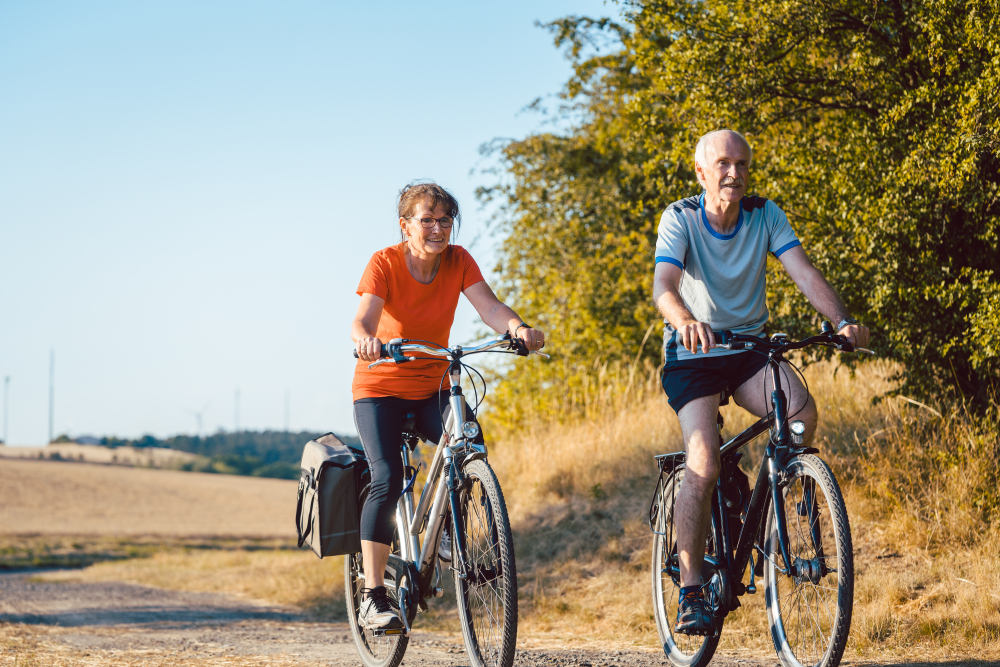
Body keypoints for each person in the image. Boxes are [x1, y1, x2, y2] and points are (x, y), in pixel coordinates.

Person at [652, 130, 870, 635]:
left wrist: (840, 321)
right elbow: (664, 285)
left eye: (742, 164)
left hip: (749, 349)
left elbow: (805, 273)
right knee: (702, 463)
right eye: (722, 164)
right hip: (694, 354)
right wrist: (684, 318)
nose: (734, 173)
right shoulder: (679, 217)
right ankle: (689, 589)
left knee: (800, 412)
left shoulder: (765, 214)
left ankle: (794, 494)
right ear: (702, 171)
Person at [351, 181, 545, 630]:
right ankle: (373, 594)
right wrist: (366, 340)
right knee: (387, 477)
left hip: (432, 383)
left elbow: (490, 307)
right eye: (427, 220)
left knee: (471, 446)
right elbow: (363, 317)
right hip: (380, 387)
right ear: (406, 226)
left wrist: (518, 328)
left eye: (445, 220)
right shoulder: (383, 263)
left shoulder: (458, 261)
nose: (438, 228)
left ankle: (443, 535)